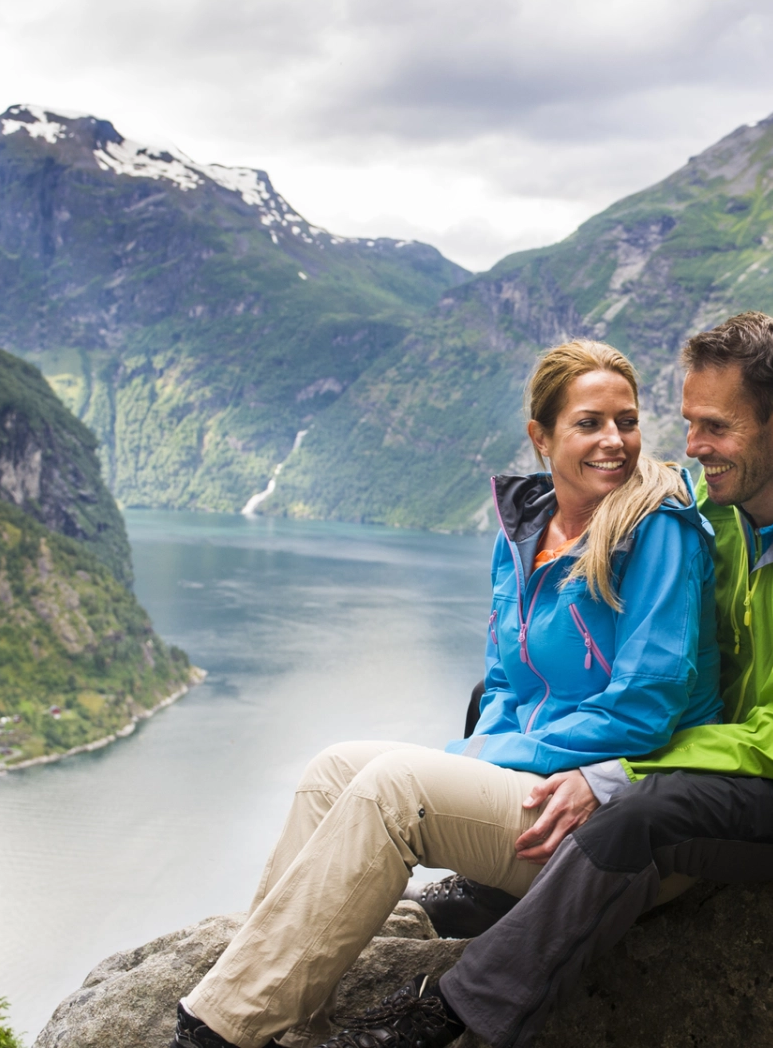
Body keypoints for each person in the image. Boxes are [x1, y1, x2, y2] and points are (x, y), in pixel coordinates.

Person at [325, 311, 773, 1048]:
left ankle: (452, 1012)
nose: (694, 449)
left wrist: (619, 770)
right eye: (688, 424)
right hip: (724, 747)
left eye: (715, 428)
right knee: (499, 706)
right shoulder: (729, 508)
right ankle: (499, 886)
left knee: (641, 813)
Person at [170, 340, 721, 1048]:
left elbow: (646, 705)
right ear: (541, 436)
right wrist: (486, 753)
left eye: (628, 420)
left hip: (617, 820)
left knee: (397, 788)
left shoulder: (658, 528)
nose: (614, 441)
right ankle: (276, 1008)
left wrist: (494, 762)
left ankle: (215, 1033)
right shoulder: (526, 533)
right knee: (333, 770)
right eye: (589, 423)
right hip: (541, 783)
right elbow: (504, 684)